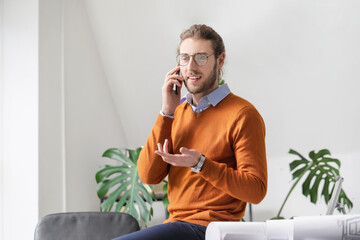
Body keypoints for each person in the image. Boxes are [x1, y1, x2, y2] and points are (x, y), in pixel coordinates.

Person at [112, 24, 267, 240]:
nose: (191, 67)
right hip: (177, 225)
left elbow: (256, 190)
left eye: (201, 58)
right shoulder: (176, 112)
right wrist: (166, 113)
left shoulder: (242, 114)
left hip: (212, 230)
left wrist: (201, 164)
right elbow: (149, 176)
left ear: (219, 60)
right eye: (184, 58)